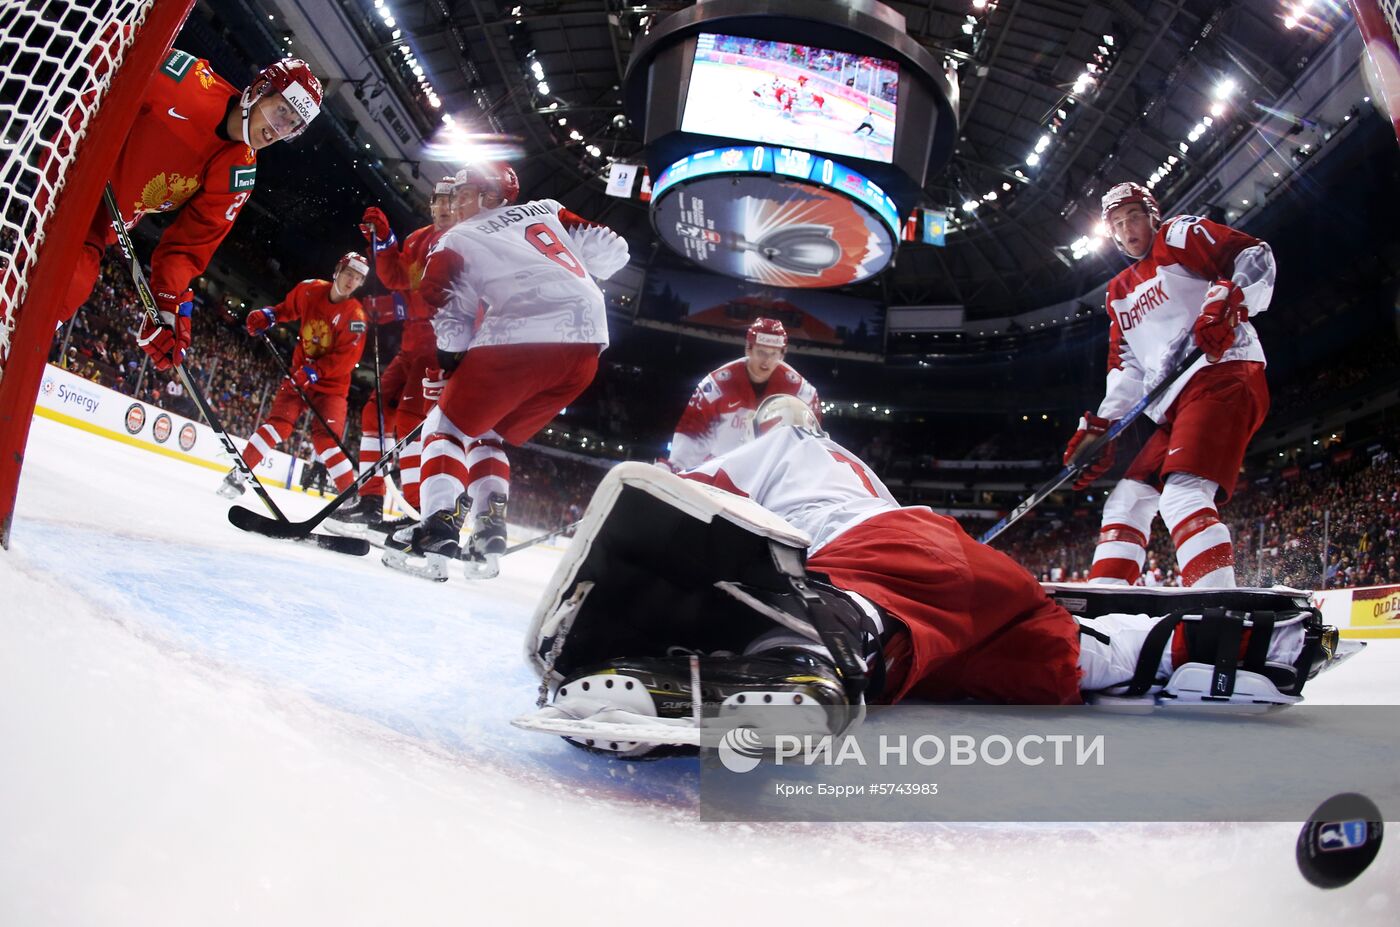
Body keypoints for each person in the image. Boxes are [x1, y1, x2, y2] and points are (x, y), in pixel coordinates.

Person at [516, 395, 1355, 759]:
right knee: (1078, 656)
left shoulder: (781, 444)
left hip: (890, 565)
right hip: (975, 590)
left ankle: (809, 658)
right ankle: (1239, 645)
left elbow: (688, 513)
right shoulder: (851, 464)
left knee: (846, 613)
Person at [381, 161, 630, 581]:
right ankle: (488, 530)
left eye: (464, 194)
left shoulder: (458, 237)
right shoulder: (547, 209)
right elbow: (611, 249)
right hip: (587, 345)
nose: (456, 203)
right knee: (488, 434)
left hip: (525, 336)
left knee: (445, 427)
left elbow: (441, 302)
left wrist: (451, 362)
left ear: (490, 197)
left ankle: (438, 527)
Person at [1064, 181, 1274, 589]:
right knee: (1125, 502)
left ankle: (1218, 610)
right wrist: (1102, 428)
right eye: (1118, 224)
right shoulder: (1117, 293)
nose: (1127, 230)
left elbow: (1253, 255)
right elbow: (1128, 369)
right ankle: (1106, 606)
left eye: (1134, 218)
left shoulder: (1178, 236)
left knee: (1183, 495)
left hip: (1222, 375)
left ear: (1152, 216)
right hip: (1174, 404)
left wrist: (1231, 299)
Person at [62, 51, 323, 373]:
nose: (278, 130)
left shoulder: (238, 174)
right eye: (281, 111)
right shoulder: (186, 80)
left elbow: (187, 248)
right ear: (258, 91)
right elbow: (109, 47)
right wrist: (78, 134)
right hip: (68, 176)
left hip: (100, 224)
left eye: (292, 125)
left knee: (71, 281)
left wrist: (168, 303)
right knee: (69, 279)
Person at [329, 177, 458, 535]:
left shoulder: (463, 242)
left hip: (440, 349)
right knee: (375, 413)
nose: (445, 207)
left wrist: (394, 307)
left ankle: (419, 510)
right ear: (430, 204)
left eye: (452, 200)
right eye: (439, 200)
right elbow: (395, 276)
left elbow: (442, 296)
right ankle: (370, 501)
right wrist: (383, 241)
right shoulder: (418, 239)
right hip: (410, 348)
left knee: (409, 421)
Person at [217, 253, 368, 498]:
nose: (352, 281)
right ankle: (238, 474)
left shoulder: (356, 317)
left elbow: (347, 359)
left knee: (327, 441)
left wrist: (316, 371)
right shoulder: (310, 290)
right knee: (278, 425)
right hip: (300, 377)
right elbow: (285, 309)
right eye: (350, 273)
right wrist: (269, 315)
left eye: (359, 278)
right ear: (338, 270)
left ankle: (350, 503)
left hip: (331, 387)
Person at [666, 317, 820, 472]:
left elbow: (811, 442)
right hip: (719, 470)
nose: (766, 361)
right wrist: (676, 466)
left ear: (782, 354)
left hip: (766, 475)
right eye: (761, 352)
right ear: (748, 349)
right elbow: (693, 430)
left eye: (773, 353)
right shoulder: (716, 386)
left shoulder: (801, 392)